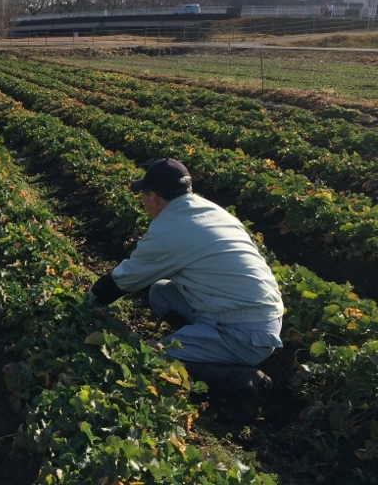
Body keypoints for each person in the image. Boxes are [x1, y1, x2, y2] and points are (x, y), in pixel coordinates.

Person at [89, 158, 283, 422]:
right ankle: (202, 346)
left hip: (244, 331)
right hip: (257, 315)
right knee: (161, 292)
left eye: (143, 195)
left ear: (154, 197)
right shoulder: (210, 210)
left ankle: (243, 381)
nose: (143, 202)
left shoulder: (170, 229)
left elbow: (122, 281)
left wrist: (86, 305)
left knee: (151, 360)